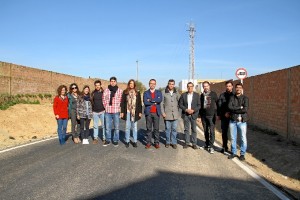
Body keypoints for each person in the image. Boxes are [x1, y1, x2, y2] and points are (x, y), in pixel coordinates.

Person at [228, 83, 249, 161]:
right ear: (235, 88)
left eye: (240, 87)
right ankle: (233, 152)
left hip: (242, 121)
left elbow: (245, 109)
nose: (238, 89)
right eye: (237, 88)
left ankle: (242, 154)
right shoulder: (231, 98)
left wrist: (235, 109)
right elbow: (230, 107)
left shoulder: (245, 98)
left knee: (243, 138)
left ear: (242, 89)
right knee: (233, 138)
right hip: (233, 120)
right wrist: (240, 107)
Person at [120, 79, 142, 148]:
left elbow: (139, 103)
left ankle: (135, 141)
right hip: (128, 112)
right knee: (127, 127)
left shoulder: (137, 92)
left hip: (135, 112)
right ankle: (127, 141)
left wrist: (140, 112)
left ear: (134, 84)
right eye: (130, 83)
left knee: (134, 127)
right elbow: (122, 103)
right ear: (129, 84)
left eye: (132, 83)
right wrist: (122, 112)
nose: (131, 85)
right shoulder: (125, 92)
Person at [179, 82, 200, 149]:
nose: (189, 87)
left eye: (191, 86)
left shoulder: (197, 95)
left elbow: (199, 105)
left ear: (193, 87)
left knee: (194, 130)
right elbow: (180, 104)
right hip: (186, 115)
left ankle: (194, 143)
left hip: (194, 114)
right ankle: (187, 143)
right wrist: (186, 109)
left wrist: (193, 110)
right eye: (188, 86)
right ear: (187, 87)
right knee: (186, 129)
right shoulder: (183, 95)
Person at [102, 77, 123, 146]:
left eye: (114, 81)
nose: (113, 82)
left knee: (116, 127)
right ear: (110, 82)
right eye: (111, 81)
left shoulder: (119, 91)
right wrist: (106, 106)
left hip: (116, 111)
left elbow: (121, 101)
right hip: (108, 111)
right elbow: (103, 99)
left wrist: (119, 108)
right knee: (108, 127)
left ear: (116, 82)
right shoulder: (106, 90)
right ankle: (108, 139)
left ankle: (115, 139)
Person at [199, 81, 218, 154]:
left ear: (209, 86)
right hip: (204, 116)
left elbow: (218, 103)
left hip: (211, 116)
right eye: (204, 86)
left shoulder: (213, 94)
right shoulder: (202, 95)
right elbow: (200, 106)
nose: (205, 87)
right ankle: (207, 145)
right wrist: (199, 116)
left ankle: (211, 146)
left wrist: (217, 114)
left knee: (212, 131)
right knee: (206, 131)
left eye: (206, 86)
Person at [161, 79, 180, 149]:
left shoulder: (177, 92)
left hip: (175, 114)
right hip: (167, 114)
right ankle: (167, 142)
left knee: (174, 129)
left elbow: (180, 101)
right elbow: (161, 103)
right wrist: (163, 112)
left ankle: (174, 142)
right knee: (167, 129)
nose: (171, 85)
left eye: (172, 84)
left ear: (174, 85)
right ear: (168, 84)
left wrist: (178, 110)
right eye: (170, 84)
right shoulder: (163, 92)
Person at [143, 79, 163, 149]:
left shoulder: (159, 92)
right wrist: (154, 102)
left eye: (154, 83)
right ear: (149, 84)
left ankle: (156, 142)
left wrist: (151, 100)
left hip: (156, 113)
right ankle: (148, 143)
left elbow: (160, 100)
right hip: (148, 113)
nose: (152, 85)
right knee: (149, 129)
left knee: (156, 129)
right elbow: (145, 102)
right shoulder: (146, 93)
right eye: (151, 83)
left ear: (155, 84)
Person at [217, 80, 234, 153]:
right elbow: (219, 106)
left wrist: (229, 113)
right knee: (224, 133)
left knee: (232, 134)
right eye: (227, 86)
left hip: (233, 117)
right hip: (224, 117)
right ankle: (224, 147)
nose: (228, 87)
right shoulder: (222, 95)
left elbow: (235, 106)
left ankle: (233, 149)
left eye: (229, 86)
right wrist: (219, 115)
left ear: (232, 86)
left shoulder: (234, 95)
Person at [91, 80, 105, 144]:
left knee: (103, 126)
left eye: (98, 85)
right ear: (95, 86)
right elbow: (91, 102)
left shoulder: (104, 92)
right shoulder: (93, 93)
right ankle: (95, 138)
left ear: (100, 85)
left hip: (102, 111)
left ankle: (104, 138)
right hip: (95, 112)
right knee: (95, 126)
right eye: (96, 85)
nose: (97, 86)